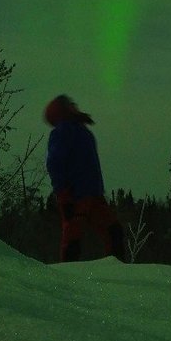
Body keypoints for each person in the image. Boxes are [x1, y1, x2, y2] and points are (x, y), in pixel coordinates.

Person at [44, 94, 126, 263]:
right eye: (69, 104)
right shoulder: (63, 131)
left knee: (113, 231)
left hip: (93, 195)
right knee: (73, 239)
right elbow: (54, 163)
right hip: (75, 196)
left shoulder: (80, 129)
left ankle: (119, 272)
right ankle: (66, 277)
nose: (74, 105)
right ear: (63, 111)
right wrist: (63, 194)